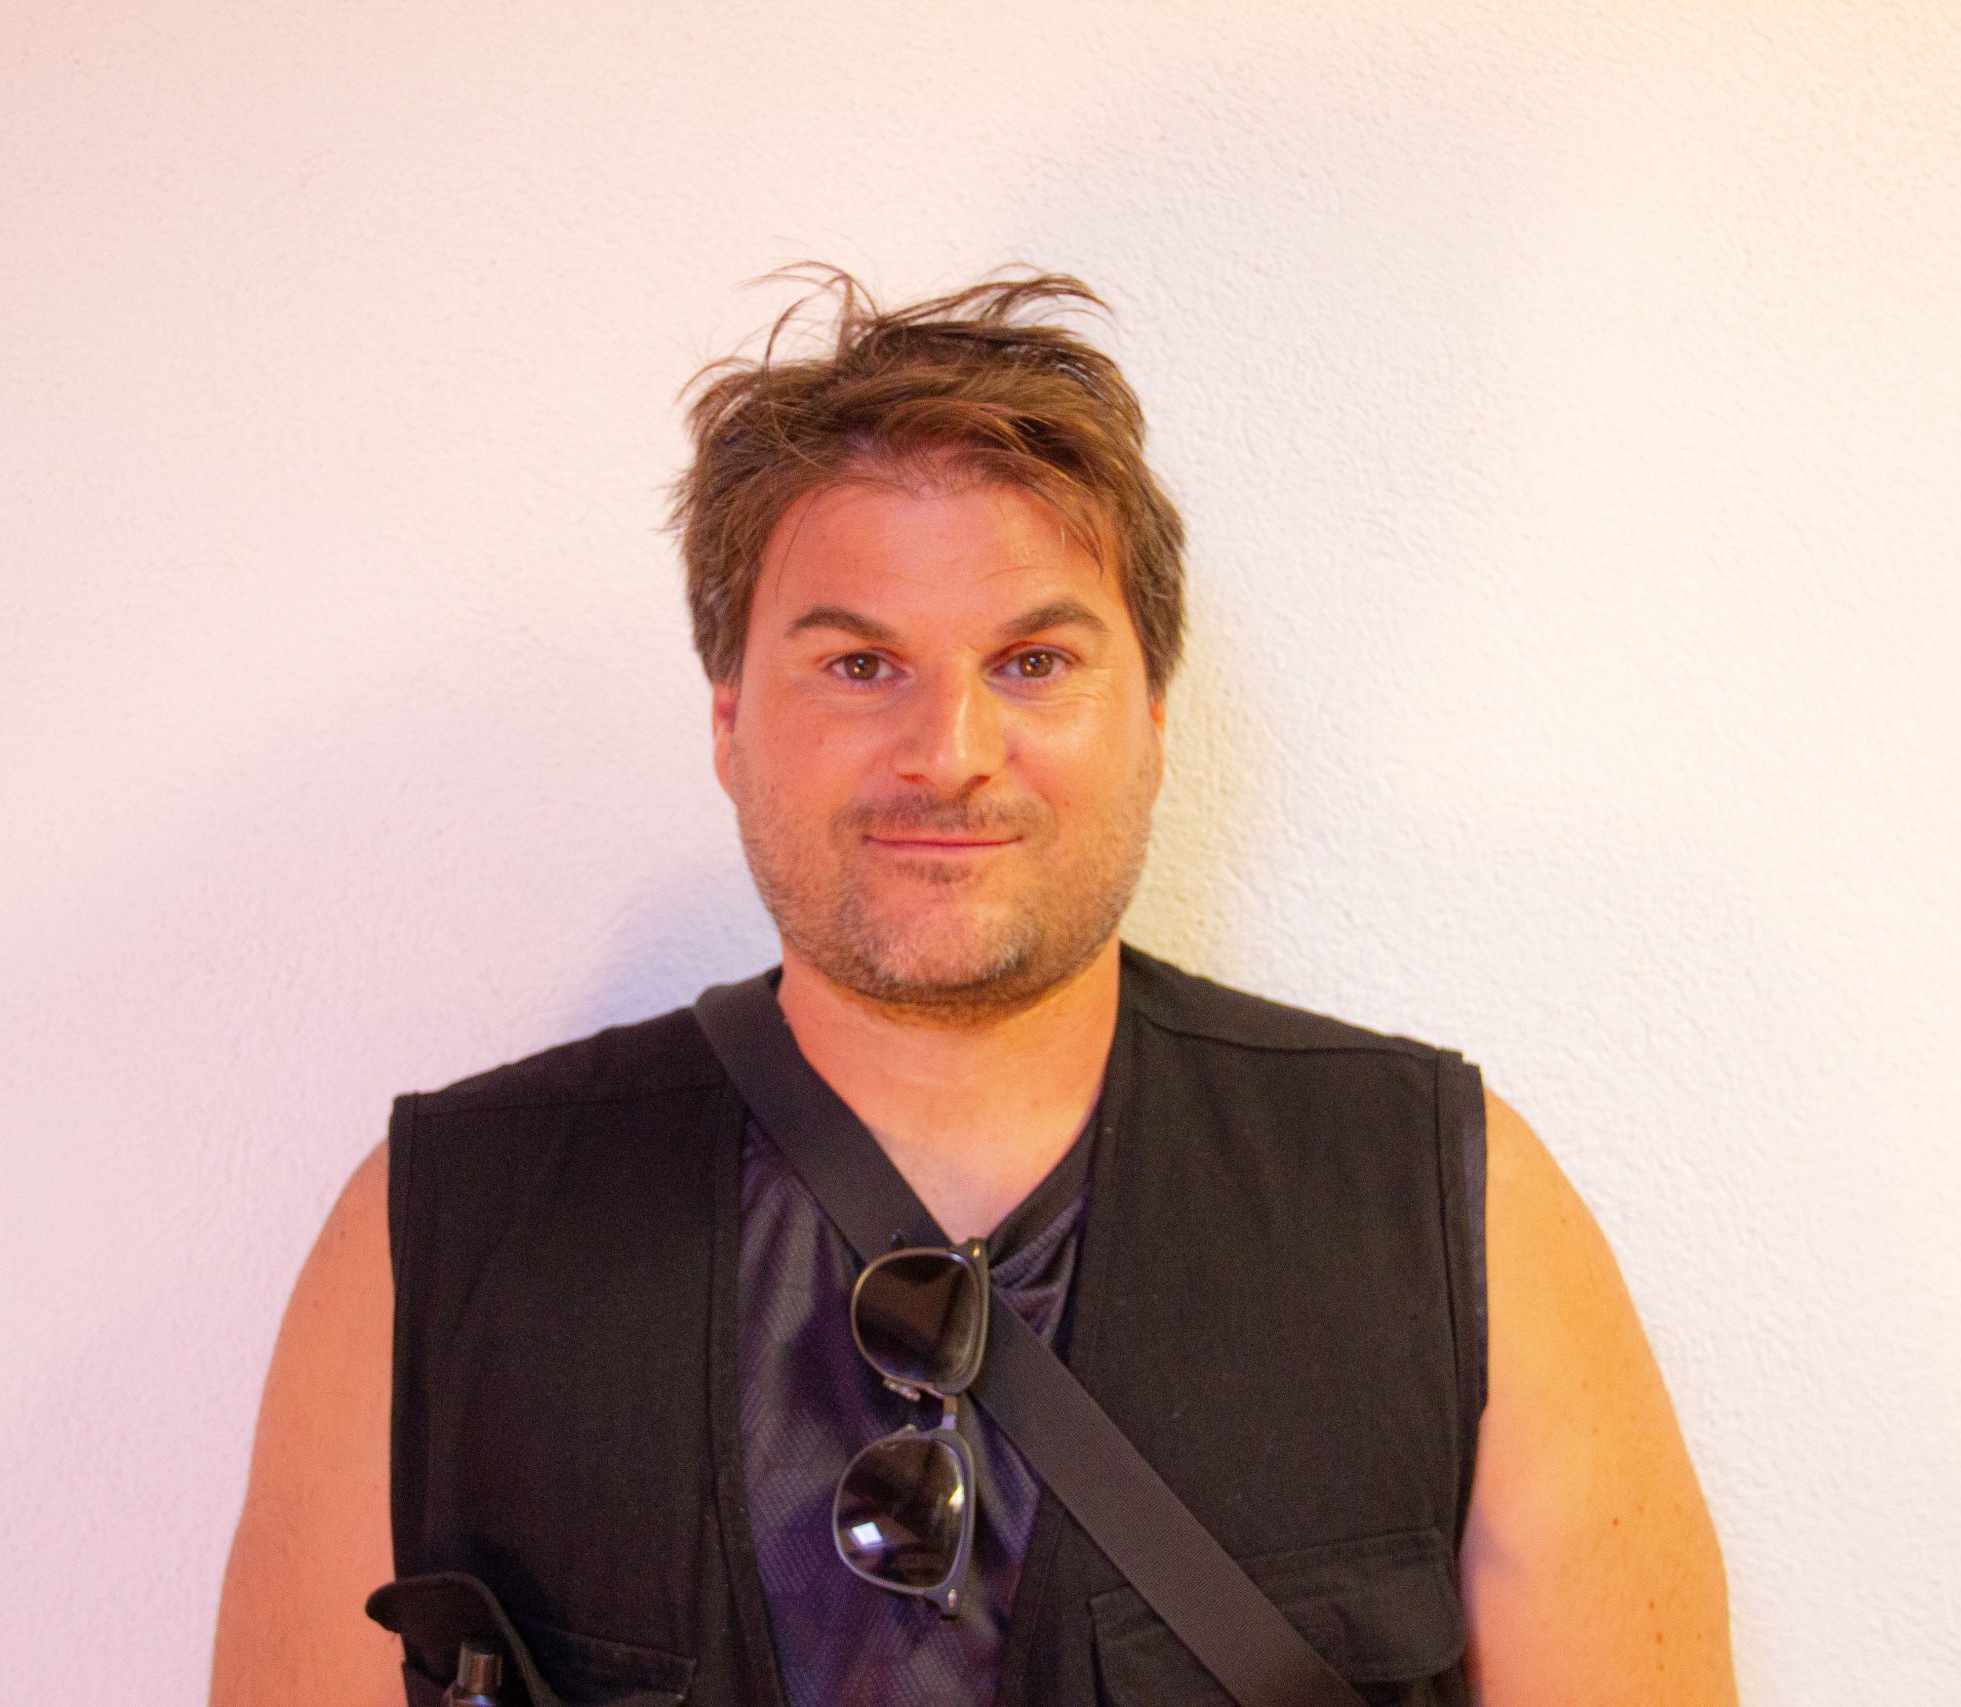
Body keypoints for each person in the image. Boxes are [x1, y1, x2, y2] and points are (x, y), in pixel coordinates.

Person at [209, 270, 1737, 1706]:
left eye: (1033, 663)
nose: (948, 753)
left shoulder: (1455, 1213)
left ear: (1152, 716)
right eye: (859, 665)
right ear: (730, 723)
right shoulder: (436, 1239)